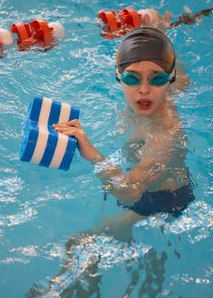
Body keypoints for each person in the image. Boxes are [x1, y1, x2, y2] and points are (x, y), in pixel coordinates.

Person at [53, 27, 194, 225]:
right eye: (132, 78)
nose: (144, 90)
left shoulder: (164, 131)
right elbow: (176, 67)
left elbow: (130, 192)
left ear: (170, 79)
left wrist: (92, 154)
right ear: (118, 77)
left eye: (157, 78)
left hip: (163, 201)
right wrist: (159, 27)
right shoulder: (166, 89)